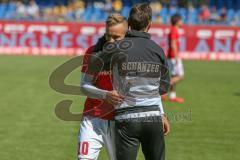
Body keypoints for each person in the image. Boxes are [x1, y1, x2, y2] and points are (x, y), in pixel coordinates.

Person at [91, 3, 170, 160]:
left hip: (126, 118)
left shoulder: (116, 47)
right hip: (153, 118)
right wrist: (161, 113)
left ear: (128, 25)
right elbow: (163, 87)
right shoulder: (157, 50)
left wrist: (103, 42)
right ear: (149, 25)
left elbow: (93, 64)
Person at [77, 13, 127, 160]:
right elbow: (84, 85)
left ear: (127, 34)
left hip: (121, 121)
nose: (111, 41)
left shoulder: (133, 55)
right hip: (93, 119)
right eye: (108, 35)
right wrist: (106, 95)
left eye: (116, 37)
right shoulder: (93, 52)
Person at [165, 14, 184, 103]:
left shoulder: (174, 30)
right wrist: (176, 57)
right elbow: (173, 44)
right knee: (180, 76)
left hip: (171, 56)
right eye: (181, 20)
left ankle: (172, 96)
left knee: (173, 76)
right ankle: (162, 91)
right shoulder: (174, 30)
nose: (182, 22)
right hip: (173, 57)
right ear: (177, 21)